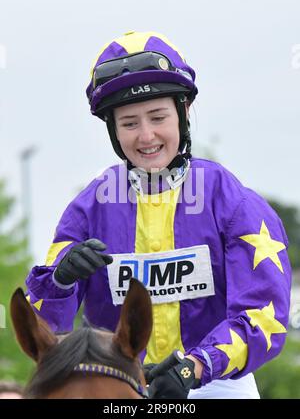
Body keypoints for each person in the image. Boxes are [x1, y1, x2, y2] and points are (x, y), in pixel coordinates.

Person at [25, 31, 291, 399]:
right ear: (114, 132)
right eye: (130, 123)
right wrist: (61, 281)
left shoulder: (232, 201)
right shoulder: (88, 208)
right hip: (116, 383)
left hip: (217, 382)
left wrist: (194, 366)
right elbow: (43, 333)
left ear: (182, 113)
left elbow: (264, 315)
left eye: (157, 116)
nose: (146, 135)